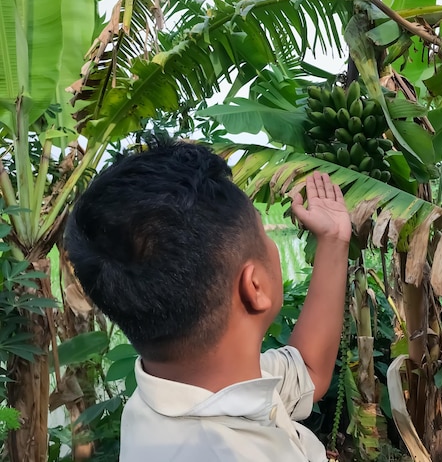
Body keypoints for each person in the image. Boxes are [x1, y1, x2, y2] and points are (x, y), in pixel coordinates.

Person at [64, 137, 351, 461]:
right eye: (264, 234)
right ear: (254, 287)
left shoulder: (181, 384)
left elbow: (309, 371)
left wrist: (334, 240)